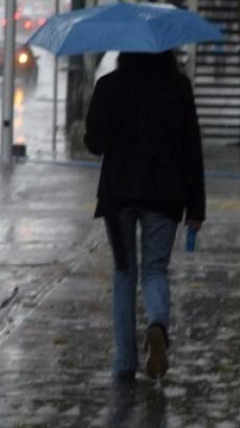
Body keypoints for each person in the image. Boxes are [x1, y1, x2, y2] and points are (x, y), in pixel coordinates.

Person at [84, 51, 206, 382]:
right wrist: (196, 209)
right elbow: (191, 148)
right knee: (155, 270)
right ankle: (157, 325)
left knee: (124, 273)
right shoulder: (179, 87)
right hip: (165, 194)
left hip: (118, 195)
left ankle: (125, 361)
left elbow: (94, 143)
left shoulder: (109, 85)